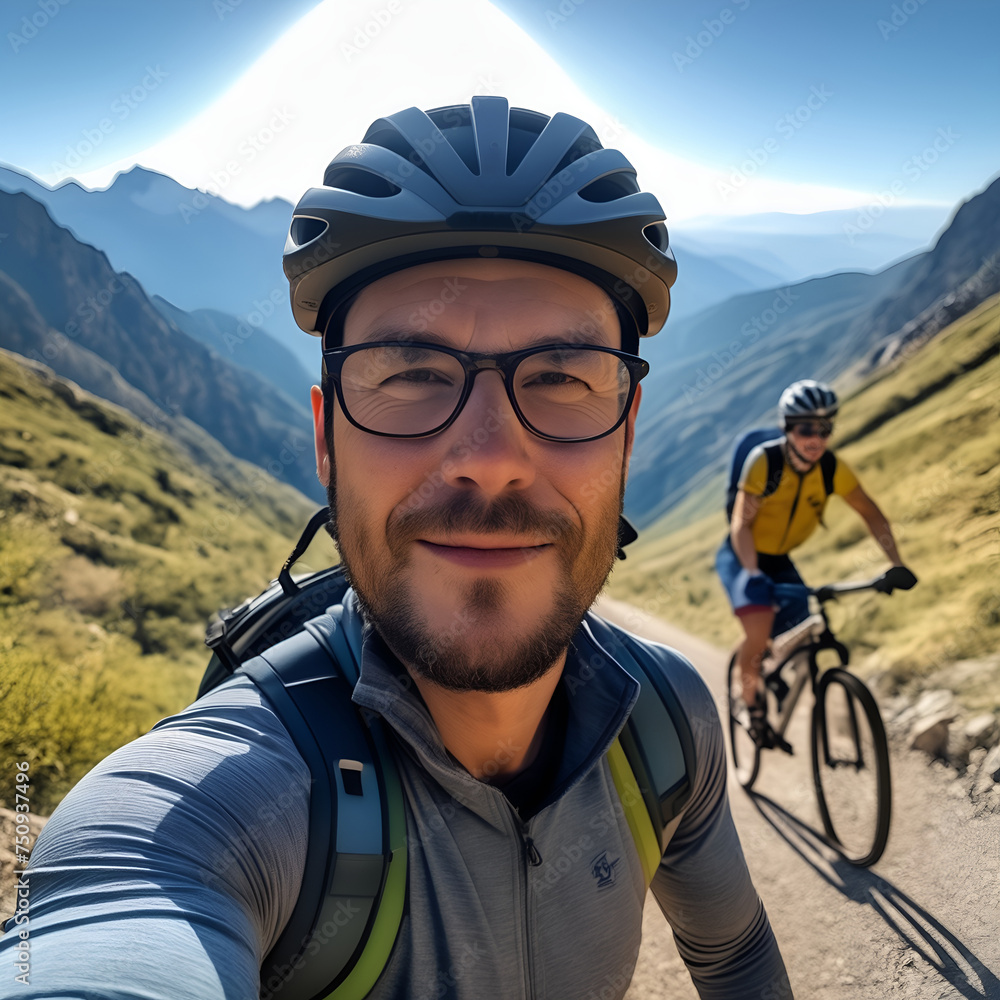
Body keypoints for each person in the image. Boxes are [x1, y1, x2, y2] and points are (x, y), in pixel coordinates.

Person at [0, 97, 790, 998]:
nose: (490, 460)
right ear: (327, 439)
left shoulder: (666, 724)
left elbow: (733, 956)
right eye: (411, 373)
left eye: (564, 376)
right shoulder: (206, 809)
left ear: (628, 431)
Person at [716, 379, 911, 748]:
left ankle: (773, 672)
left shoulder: (831, 469)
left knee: (803, 625)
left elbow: (871, 513)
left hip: (780, 559)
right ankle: (751, 706)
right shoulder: (765, 462)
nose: (816, 438)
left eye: (825, 428)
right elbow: (741, 524)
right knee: (757, 635)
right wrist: (753, 572)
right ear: (788, 427)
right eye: (807, 428)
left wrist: (896, 563)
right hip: (743, 555)